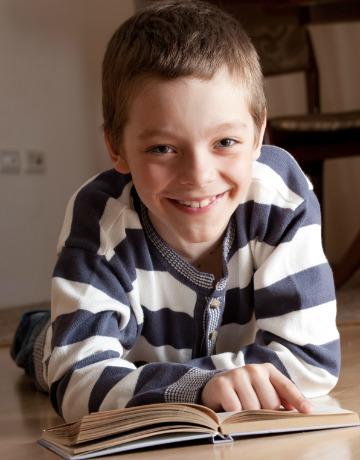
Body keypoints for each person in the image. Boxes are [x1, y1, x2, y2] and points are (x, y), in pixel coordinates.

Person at [11, 0, 340, 423]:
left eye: (225, 142)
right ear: (117, 147)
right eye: (163, 148)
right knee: (47, 346)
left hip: (156, 369)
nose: (199, 176)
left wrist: (200, 381)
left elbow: (310, 362)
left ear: (259, 135)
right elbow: (77, 381)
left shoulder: (281, 199)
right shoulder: (100, 219)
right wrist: (201, 387)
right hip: (125, 345)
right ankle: (38, 328)